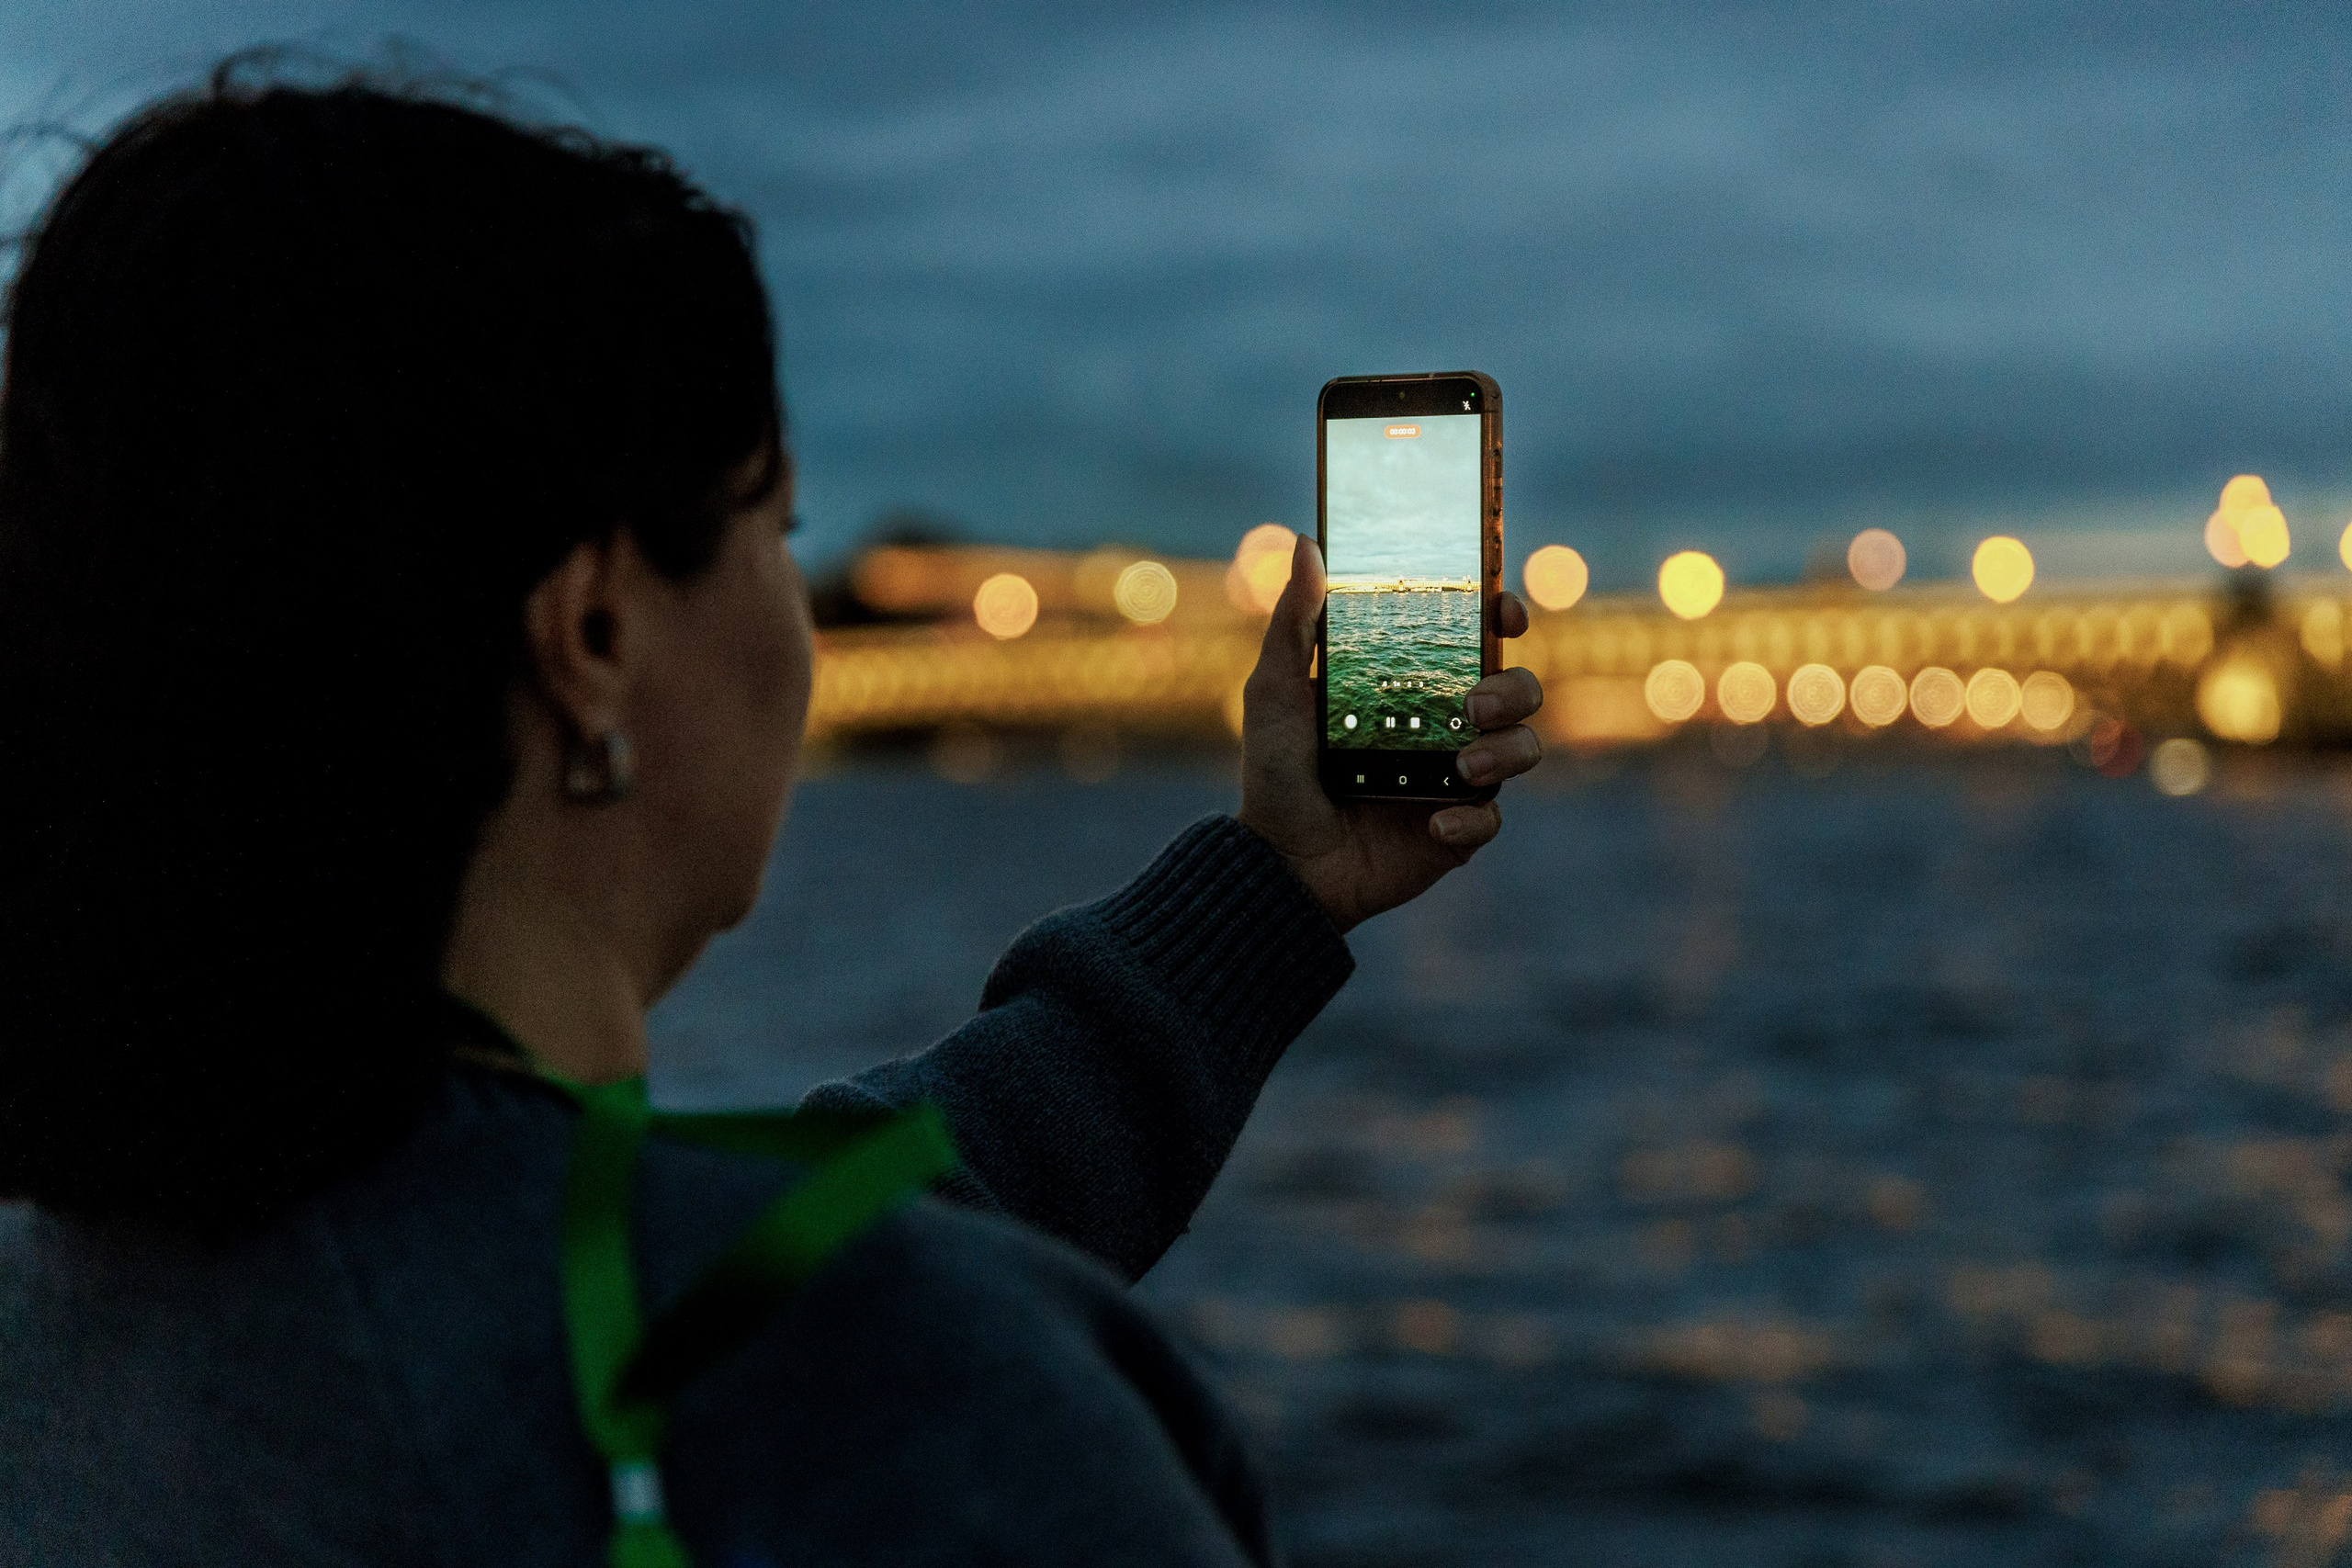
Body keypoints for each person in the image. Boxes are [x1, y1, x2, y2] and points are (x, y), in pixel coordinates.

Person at [0, 63, 1545, 1567]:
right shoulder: (929, 1413)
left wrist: (1271, 888)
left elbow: (787, 1225)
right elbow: (798, 1308)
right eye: (775, 529)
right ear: (595, 635)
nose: (802, 619)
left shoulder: (76, 1289)